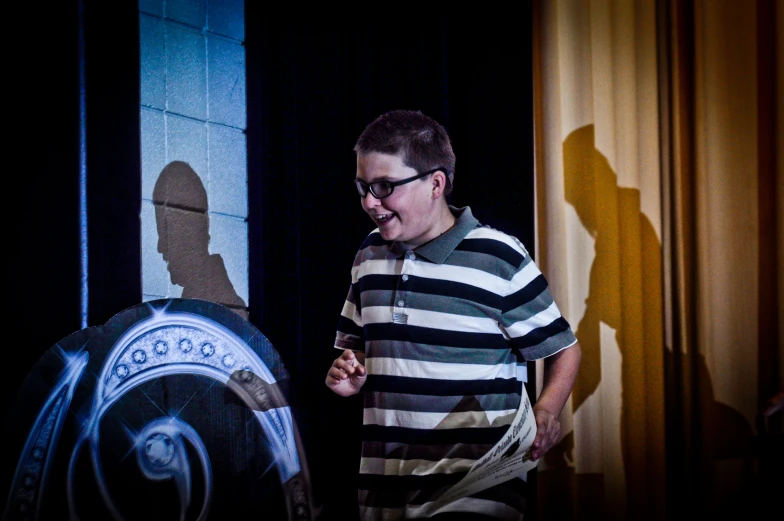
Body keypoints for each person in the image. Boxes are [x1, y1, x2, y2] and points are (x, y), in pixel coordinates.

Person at [325, 109, 582, 520]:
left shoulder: (498, 256)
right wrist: (346, 373)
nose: (370, 201)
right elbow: (355, 353)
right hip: (384, 491)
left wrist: (547, 411)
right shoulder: (367, 255)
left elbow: (563, 348)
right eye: (364, 187)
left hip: (475, 489)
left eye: (385, 186)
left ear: (436, 184)